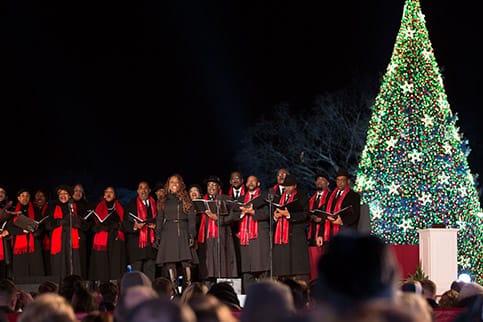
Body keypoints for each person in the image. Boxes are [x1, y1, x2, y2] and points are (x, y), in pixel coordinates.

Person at [155, 174, 198, 293]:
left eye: (176, 182)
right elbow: (159, 219)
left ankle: (188, 288)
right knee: (170, 261)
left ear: (181, 185)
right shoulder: (163, 200)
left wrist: (192, 234)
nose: (174, 184)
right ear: (168, 185)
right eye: (171, 182)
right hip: (168, 231)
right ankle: (173, 289)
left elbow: (192, 219)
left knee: (186, 261)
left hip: (183, 230)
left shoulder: (186, 199)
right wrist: (157, 235)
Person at [231, 175, 271, 293]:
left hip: (260, 236)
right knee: (246, 269)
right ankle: (250, 297)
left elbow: (269, 213)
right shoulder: (241, 199)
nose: (250, 182)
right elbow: (233, 216)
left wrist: (253, 212)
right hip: (245, 238)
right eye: (248, 181)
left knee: (264, 268)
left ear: (258, 183)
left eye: (253, 180)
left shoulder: (264, 197)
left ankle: (265, 297)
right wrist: (242, 213)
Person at [196, 175, 237, 286]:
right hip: (207, 236)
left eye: (214, 185)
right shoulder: (202, 200)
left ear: (219, 187)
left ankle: (222, 288)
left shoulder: (226, 198)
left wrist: (219, 219)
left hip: (222, 235)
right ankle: (208, 288)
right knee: (208, 265)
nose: (211, 187)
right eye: (209, 185)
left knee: (222, 263)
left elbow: (234, 216)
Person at [271, 174, 310, 282]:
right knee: (283, 267)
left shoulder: (301, 196)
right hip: (281, 237)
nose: (287, 189)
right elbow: (273, 213)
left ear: (295, 186)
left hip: (296, 235)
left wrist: (289, 215)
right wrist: (275, 216)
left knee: (297, 266)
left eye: (289, 186)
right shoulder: (279, 198)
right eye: (285, 186)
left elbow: (305, 214)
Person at [89, 186, 127, 283]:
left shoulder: (120, 207)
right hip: (102, 239)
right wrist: (99, 227)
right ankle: (103, 286)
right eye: (106, 192)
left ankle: (115, 287)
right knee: (103, 266)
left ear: (114, 195)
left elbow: (124, 224)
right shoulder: (98, 207)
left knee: (115, 266)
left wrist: (116, 225)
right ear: (104, 195)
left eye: (111, 192)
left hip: (115, 239)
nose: (108, 194)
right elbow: (92, 226)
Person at [45, 185, 83, 281]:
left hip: (71, 238)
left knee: (72, 263)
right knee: (59, 264)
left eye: (65, 193)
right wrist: (58, 222)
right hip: (59, 239)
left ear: (70, 196)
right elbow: (47, 225)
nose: (63, 195)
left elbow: (82, 223)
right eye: (60, 193)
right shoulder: (52, 207)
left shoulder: (74, 207)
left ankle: (74, 285)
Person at [123, 181, 157, 280]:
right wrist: (135, 226)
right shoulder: (131, 205)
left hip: (151, 245)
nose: (143, 190)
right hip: (136, 244)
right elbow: (125, 223)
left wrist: (156, 226)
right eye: (141, 188)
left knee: (150, 274)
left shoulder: (155, 204)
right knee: (136, 275)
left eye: (145, 188)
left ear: (149, 190)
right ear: (137, 191)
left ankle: (149, 294)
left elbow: (160, 220)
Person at [7, 188, 45, 279]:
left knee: (35, 266)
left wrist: (37, 230)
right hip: (19, 244)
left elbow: (42, 225)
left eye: (27, 196)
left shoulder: (35, 209)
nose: (25, 198)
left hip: (34, 242)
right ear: (18, 198)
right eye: (22, 196)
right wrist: (22, 231)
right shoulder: (13, 211)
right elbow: (9, 227)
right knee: (21, 267)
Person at [323, 167, 361, 242]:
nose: (340, 183)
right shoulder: (331, 195)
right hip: (331, 232)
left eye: (342, 180)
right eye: (338, 180)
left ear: (348, 181)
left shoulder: (354, 195)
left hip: (346, 232)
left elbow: (355, 215)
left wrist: (342, 221)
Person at [307, 173, 331, 281]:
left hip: (325, 235)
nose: (319, 182)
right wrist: (311, 217)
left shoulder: (330, 197)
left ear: (328, 183)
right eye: (318, 180)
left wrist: (321, 222)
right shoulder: (311, 199)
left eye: (322, 180)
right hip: (312, 235)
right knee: (314, 267)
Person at [72, 183, 94, 280]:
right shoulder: (68, 204)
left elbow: (90, 223)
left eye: (80, 191)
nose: (78, 193)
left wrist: (82, 224)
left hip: (82, 235)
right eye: (76, 190)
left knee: (81, 261)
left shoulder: (87, 205)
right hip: (69, 236)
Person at [33, 188, 52, 275]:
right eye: (37, 195)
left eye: (42, 196)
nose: (39, 197)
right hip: (35, 239)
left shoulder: (50, 208)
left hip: (47, 239)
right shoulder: (31, 209)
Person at [0, 186, 14, 280]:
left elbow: (12, 223)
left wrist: (8, 231)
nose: (0, 194)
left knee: (5, 270)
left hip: (5, 242)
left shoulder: (10, 209)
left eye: (2, 192)